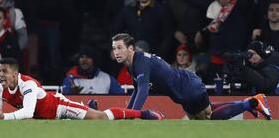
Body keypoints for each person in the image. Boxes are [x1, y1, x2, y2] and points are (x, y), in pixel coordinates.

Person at [111, 33, 272, 120]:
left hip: (188, 86)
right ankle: (251, 103)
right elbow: (137, 90)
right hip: (183, 88)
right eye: (114, 48)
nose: (116, 52)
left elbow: (143, 91)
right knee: (202, 116)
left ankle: (251, 102)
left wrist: (130, 116)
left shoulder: (140, 62)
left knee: (207, 117)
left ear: (131, 48)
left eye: (120, 48)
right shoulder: (133, 64)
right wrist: (126, 114)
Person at [0, 57, 163, 120]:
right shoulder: (0, 89)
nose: (0, 75)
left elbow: (29, 112)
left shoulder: (28, 85)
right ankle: (91, 107)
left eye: (4, 72)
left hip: (59, 107)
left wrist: (4, 117)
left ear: (15, 73)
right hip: (45, 118)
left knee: (101, 119)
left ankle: (142, 114)